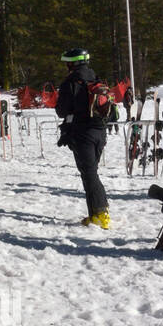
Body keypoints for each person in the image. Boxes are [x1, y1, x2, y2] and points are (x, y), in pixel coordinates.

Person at [56, 48, 110, 228]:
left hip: (82, 133)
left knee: (89, 174)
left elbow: (61, 110)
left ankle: (101, 213)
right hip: (100, 132)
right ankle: (94, 215)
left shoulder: (70, 82)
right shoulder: (96, 79)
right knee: (90, 173)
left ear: (72, 63)